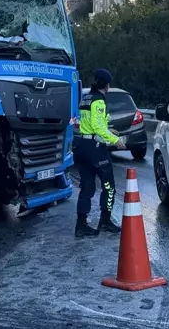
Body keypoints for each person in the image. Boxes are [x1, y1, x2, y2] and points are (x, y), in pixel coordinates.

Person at [74, 68, 127, 238]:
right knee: (109, 186)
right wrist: (114, 140)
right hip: (94, 148)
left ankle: (81, 225)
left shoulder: (85, 98)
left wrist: (109, 129)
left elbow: (89, 122)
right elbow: (97, 126)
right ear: (108, 85)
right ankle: (105, 221)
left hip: (81, 145)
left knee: (87, 187)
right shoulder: (99, 100)